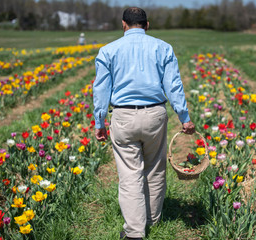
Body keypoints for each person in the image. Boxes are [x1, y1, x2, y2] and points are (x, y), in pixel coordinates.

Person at [93, 7, 195, 240]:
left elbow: (100, 90)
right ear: (147, 25)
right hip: (155, 115)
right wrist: (184, 118)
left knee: (130, 174)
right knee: (154, 170)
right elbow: (174, 86)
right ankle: (152, 220)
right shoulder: (163, 48)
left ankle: (134, 232)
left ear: (123, 24)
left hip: (123, 116)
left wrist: (99, 121)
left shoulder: (108, 51)